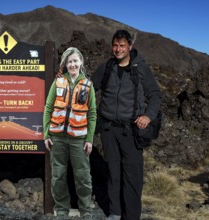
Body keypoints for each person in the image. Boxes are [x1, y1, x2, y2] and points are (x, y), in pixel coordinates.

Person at [92, 30, 162, 220]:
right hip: (108, 129)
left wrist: (148, 116)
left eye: (122, 46)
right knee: (113, 172)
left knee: (132, 176)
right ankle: (114, 213)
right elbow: (88, 87)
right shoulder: (107, 67)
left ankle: (131, 216)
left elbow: (155, 95)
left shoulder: (141, 69)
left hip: (131, 131)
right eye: (115, 45)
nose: (118, 49)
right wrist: (65, 80)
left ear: (130, 46)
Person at [43, 47, 97, 220]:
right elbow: (48, 108)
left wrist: (89, 139)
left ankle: (86, 213)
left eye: (75, 61)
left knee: (83, 177)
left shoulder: (88, 86)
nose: (73, 64)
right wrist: (46, 134)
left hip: (79, 140)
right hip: (57, 139)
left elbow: (92, 114)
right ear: (65, 64)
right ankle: (62, 212)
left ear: (81, 62)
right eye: (69, 61)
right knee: (58, 177)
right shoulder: (58, 82)